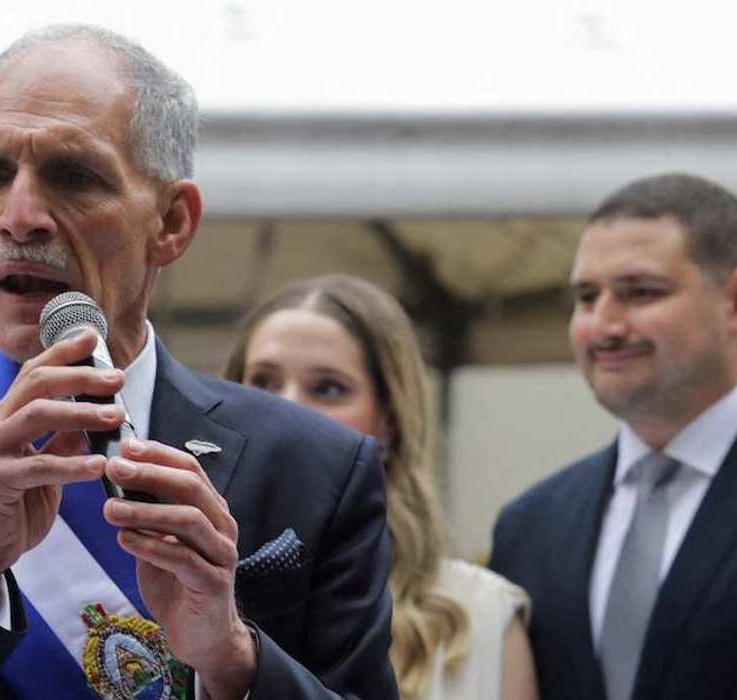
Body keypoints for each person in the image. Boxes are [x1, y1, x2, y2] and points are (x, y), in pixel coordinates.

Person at [0, 24, 397, 700]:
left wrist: (231, 661)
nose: (19, 217)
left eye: (73, 176)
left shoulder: (315, 469)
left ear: (171, 223)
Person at [224, 274, 539, 700]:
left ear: (389, 419)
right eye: (263, 382)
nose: (287, 409)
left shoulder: (481, 614)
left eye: (327, 388)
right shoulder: (177, 586)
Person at [489, 172, 737, 700]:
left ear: (732, 302)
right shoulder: (531, 526)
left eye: (640, 292)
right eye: (586, 296)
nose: (604, 325)